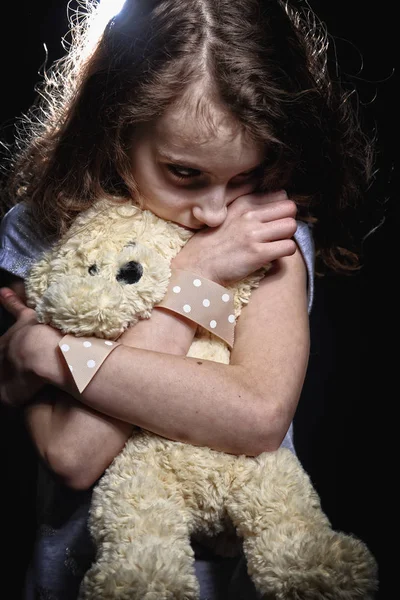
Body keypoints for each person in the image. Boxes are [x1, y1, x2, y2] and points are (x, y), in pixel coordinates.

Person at [0, 0, 374, 598]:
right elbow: (74, 453)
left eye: (246, 175)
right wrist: (194, 275)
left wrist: (47, 352)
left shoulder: (269, 232)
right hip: (74, 579)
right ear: (115, 128)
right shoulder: (40, 230)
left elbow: (254, 417)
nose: (217, 212)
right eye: (184, 173)